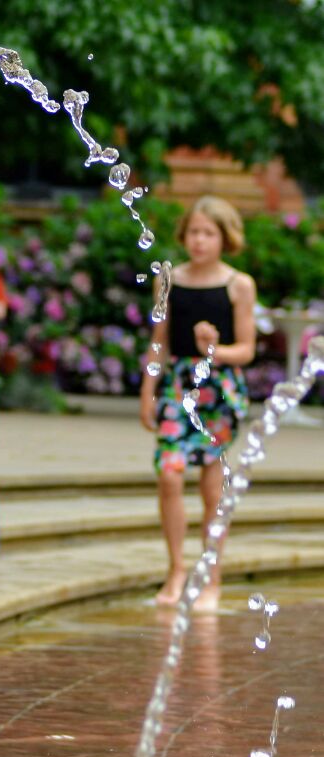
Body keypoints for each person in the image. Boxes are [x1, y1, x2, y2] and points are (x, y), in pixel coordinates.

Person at [140, 196, 256, 610]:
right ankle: (175, 570)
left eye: (209, 233)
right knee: (169, 475)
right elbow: (160, 341)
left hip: (218, 393)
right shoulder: (169, 279)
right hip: (176, 387)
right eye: (194, 232)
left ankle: (211, 578)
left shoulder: (237, 284)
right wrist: (146, 392)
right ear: (184, 235)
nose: (200, 240)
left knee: (211, 489)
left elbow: (247, 350)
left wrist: (216, 349)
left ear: (225, 238)